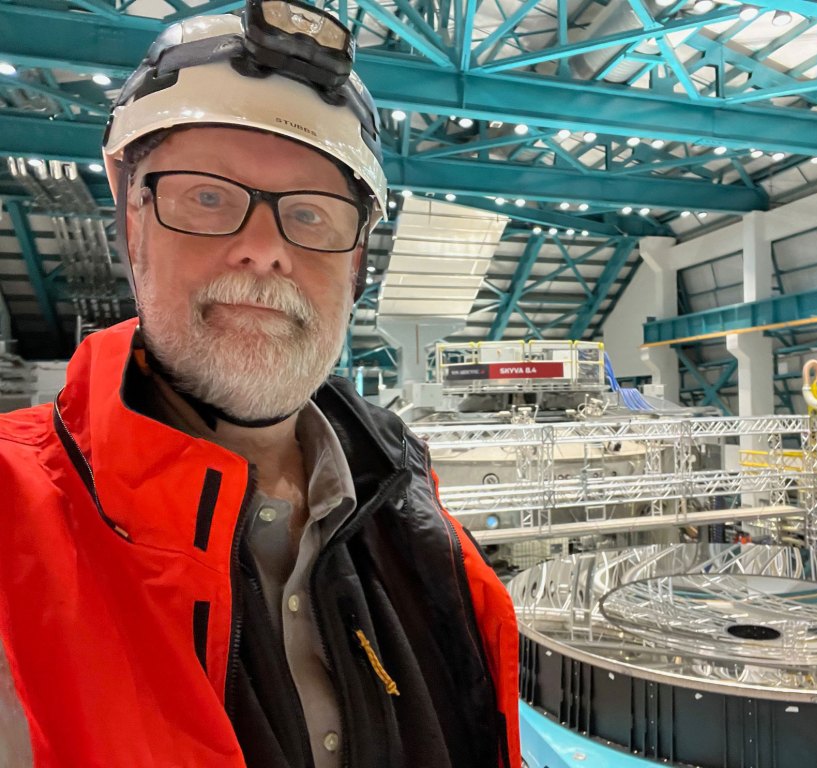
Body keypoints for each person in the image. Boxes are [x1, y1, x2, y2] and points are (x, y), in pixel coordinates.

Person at [0, 2, 520, 766]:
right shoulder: (16, 518)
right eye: (207, 198)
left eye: (310, 215)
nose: (263, 249)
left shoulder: (410, 509)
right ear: (131, 225)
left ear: (355, 266)